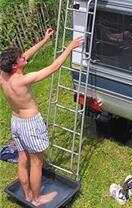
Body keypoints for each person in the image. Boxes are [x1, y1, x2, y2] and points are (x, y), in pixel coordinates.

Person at [0, 29, 83, 206]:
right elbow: (53, 67)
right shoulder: (22, 80)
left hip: (16, 122)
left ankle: (28, 194)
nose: (24, 57)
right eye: (20, 58)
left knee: (23, 160)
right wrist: (70, 47)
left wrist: (44, 40)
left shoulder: (3, 75)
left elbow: (25, 56)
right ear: (15, 66)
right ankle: (37, 199)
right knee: (37, 163)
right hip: (30, 124)